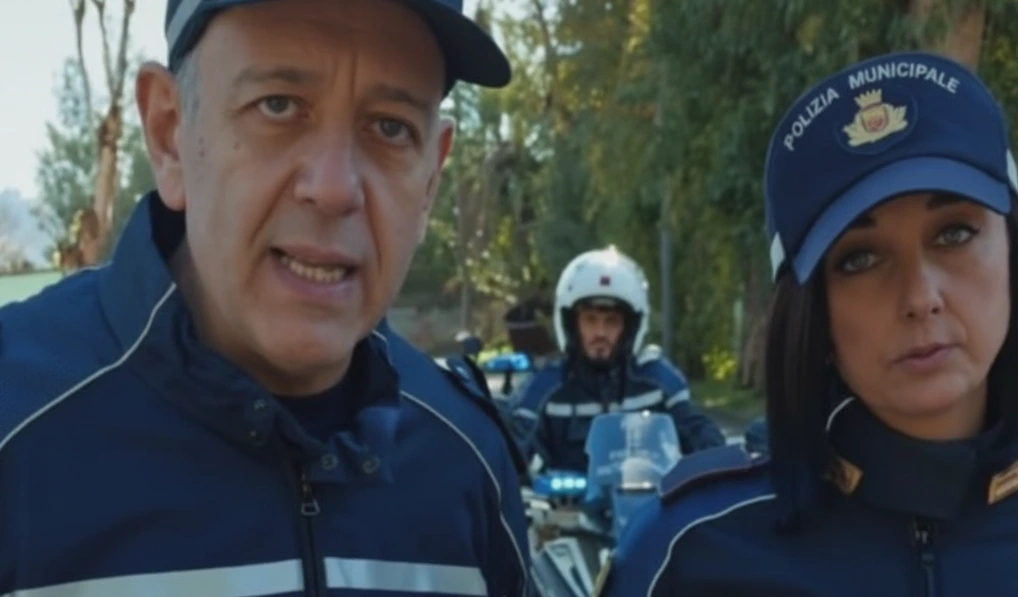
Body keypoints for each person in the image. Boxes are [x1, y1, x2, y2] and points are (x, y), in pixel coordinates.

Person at [0, 1, 532, 595]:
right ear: (170, 134)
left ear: (431, 177)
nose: (334, 189)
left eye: (390, 128)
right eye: (277, 105)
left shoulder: (465, 460)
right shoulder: (16, 416)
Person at [598, 50, 1018, 596]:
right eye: (860, 259)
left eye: (954, 233)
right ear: (809, 310)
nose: (920, 298)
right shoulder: (688, 552)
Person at [510, 246, 726, 474]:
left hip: (646, 496)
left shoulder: (658, 381)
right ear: (572, 324)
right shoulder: (545, 386)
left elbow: (696, 429)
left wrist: (713, 458)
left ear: (630, 327)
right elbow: (515, 444)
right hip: (570, 497)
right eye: (590, 320)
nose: (600, 332)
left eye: (611, 321)